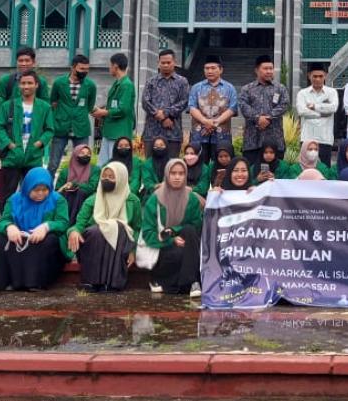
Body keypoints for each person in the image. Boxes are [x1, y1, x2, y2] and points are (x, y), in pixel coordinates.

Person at [68, 160, 139, 293]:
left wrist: (133, 251)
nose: (106, 180)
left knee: (119, 227)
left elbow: (137, 228)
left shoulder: (133, 201)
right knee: (97, 231)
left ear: (121, 178)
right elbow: (79, 223)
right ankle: (91, 281)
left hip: (121, 243)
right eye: (104, 176)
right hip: (94, 243)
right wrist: (74, 231)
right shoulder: (93, 199)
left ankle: (113, 282)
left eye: (111, 177)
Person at [0, 167, 69, 291]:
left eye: (44, 190)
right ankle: (10, 281)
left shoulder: (57, 200)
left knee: (50, 240)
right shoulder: (14, 200)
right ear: (27, 187)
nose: (40, 194)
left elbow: (63, 223)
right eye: (36, 190)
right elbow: (2, 221)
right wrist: (10, 227)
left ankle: (35, 282)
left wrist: (46, 227)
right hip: (20, 237)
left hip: (42, 241)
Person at [141, 157, 204, 296]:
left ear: (185, 176)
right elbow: (148, 232)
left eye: (181, 174)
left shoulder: (191, 199)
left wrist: (176, 230)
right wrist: (171, 239)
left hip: (186, 242)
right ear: (166, 175)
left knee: (189, 231)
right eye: (173, 173)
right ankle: (191, 282)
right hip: (161, 246)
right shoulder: (155, 199)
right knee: (179, 252)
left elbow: (196, 225)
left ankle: (191, 282)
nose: (177, 177)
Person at [0, 70, 55, 197]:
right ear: (19, 85)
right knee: (8, 193)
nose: (26, 86)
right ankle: (7, 215)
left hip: (34, 156)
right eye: (23, 83)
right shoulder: (8, 105)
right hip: (12, 156)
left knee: (32, 191)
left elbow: (49, 130)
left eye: (30, 83)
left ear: (36, 85)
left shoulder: (44, 107)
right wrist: (9, 145)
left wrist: (39, 143)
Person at [238, 54, 289, 170]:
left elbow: (284, 105)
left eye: (271, 68)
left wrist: (268, 117)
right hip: (252, 140)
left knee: (275, 175)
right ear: (257, 70)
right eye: (265, 69)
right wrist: (258, 118)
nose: (269, 71)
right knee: (252, 173)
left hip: (275, 140)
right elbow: (243, 105)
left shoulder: (280, 88)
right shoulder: (247, 89)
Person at [49, 54, 97, 176]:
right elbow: (53, 102)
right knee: (54, 163)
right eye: (82, 69)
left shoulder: (90, 85)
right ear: (73, 67)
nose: (85, 72)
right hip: (61, 127)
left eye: (87, 69)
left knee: (83, 161)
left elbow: (89, 105)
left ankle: (79, 188)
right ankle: (47, 188)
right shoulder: (59, 83)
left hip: (81, 127)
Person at [188, 54, 238, 166]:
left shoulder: (229, 88)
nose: (209, 71)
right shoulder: (196, 88)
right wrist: (206, 121)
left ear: (221, 70)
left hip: (222, 136)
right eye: (207, 68)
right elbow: (192, 107)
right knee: (198, 167)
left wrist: (215, 123)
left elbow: (232, 109)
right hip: (199, 135)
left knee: (222, 167)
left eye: (213, 68)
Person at [141, 49, 191, 156]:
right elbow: (145, 102)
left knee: (172, 166)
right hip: (152, 131)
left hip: (173, 131)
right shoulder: (151, 81)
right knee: (150, 165)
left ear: (174, 62)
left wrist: (166, 113)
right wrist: (162, 117)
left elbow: (184, 101)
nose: (165, 65)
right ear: (158, 63)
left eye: (168, 62)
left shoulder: (182, 82)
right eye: (163, 63)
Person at [93, 53, 135, 164]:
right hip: (110, 131)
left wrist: (104, 112)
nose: (109, 68)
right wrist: (101, 110)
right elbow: (114, 106)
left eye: (110, 65)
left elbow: (123, 109)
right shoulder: (118, 83)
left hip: (119, 133)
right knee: (103, 164)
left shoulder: (126, 85)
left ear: (115, 66)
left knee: (115, 165)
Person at [296, 63, 339, 167]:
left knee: (324, 170)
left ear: (325, 76)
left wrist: (314, 106)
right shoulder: (302, 93)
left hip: (325, 138)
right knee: (305, 168)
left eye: (320, 76)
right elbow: (301, 111)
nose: (318, 79)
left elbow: (333, 108)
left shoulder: (331, 92)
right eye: (315, 76)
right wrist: (323, 113)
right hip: (307, 138)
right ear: (309, 76)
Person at [56, 141, 99, 221]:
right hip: (67, 201)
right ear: (75, 155)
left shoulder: (95, 170)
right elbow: (57, 190)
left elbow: (92, 187)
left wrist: (74, 184)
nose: (86, 155)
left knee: (79, 192)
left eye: (88, 153)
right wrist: (65, 188)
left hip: (86, 200)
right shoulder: (65, 172)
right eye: (82, 153)